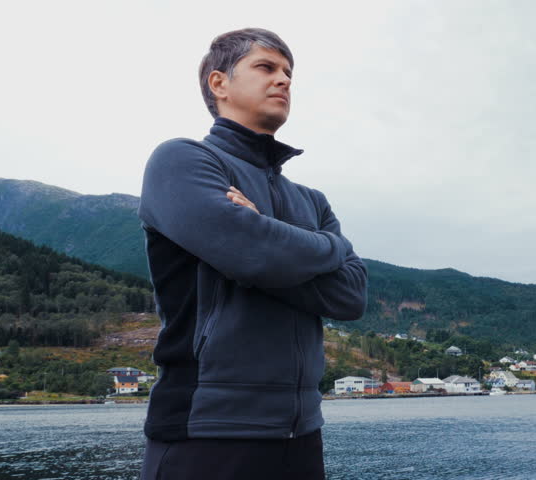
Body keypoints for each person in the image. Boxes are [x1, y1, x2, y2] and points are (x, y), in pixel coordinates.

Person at [137, 28, 368, 479]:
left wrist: (265, 234)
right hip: (206, 429)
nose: (283, 80)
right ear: (219, 83)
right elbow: (254, 256)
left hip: (301, 434)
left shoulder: (312, 199)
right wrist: (333, 247)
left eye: (288, 72)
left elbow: (351, 297)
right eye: (266, 67)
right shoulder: (182, 162)